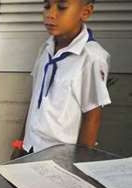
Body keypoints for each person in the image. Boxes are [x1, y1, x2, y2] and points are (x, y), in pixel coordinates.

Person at [14, 0, 110, 156]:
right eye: (46, 6)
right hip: (29, 148)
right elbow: (35, 102)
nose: (50, 14)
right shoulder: (46, 49)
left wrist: (78, 164)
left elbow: (92, 117)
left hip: (59, 158)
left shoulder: (92, 57)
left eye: (62, 7)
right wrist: (19, 144)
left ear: (85, 12)